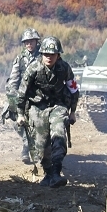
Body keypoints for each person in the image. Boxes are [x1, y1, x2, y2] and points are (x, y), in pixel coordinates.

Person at [17, 36, 79, 188]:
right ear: (41, 54)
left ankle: (57, 172)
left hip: (58, 105)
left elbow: (73, 89)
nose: (49, 57)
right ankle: (48, 173)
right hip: (37, 107)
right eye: (46, 54)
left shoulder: (64, 68)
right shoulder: (33, 68)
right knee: (41, 143)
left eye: (52, 54)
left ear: (58, 55)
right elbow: (22, 93)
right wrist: (20, 114)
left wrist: (72, 111)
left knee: (58, 135)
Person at [5, 28, 41, 163]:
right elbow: (13, 80)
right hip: (23, 95)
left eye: (31, 41)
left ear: (36, 41)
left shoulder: (44, 56)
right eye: (26, 42)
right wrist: (13, 100)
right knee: (13, 117)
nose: (29, 44)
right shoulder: (20, 59)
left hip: (39, 96)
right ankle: (27, 143)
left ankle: (36, 147)